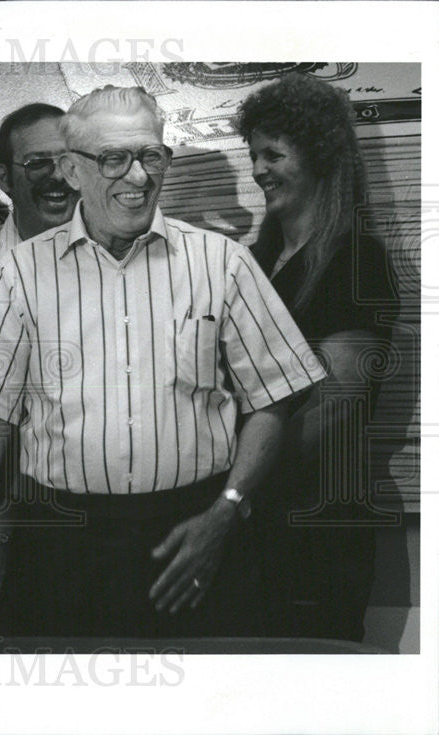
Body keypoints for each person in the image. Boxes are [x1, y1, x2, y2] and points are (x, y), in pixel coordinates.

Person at [0, 85, 327, 640]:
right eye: (114, 159)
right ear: (73, 171)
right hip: (60, 546)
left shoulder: (221, 261)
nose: (139, 176)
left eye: (151, 156)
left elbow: (276, 398)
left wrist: (227, 511)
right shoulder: (21, 273)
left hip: (193, 538)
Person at [236, 74, 398, 641]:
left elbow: (337, 404)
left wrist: (237, 484)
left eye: (273, 153)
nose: (258, 169)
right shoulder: (255, 261)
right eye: (253, 153)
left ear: (320, 156)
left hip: (317, 525)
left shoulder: (358, 260)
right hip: (252, 525)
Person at [0, 103, 79, 299]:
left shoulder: (121, 256)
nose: (58, 175)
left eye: (67, 161)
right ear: (3, 178)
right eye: (37, 163)